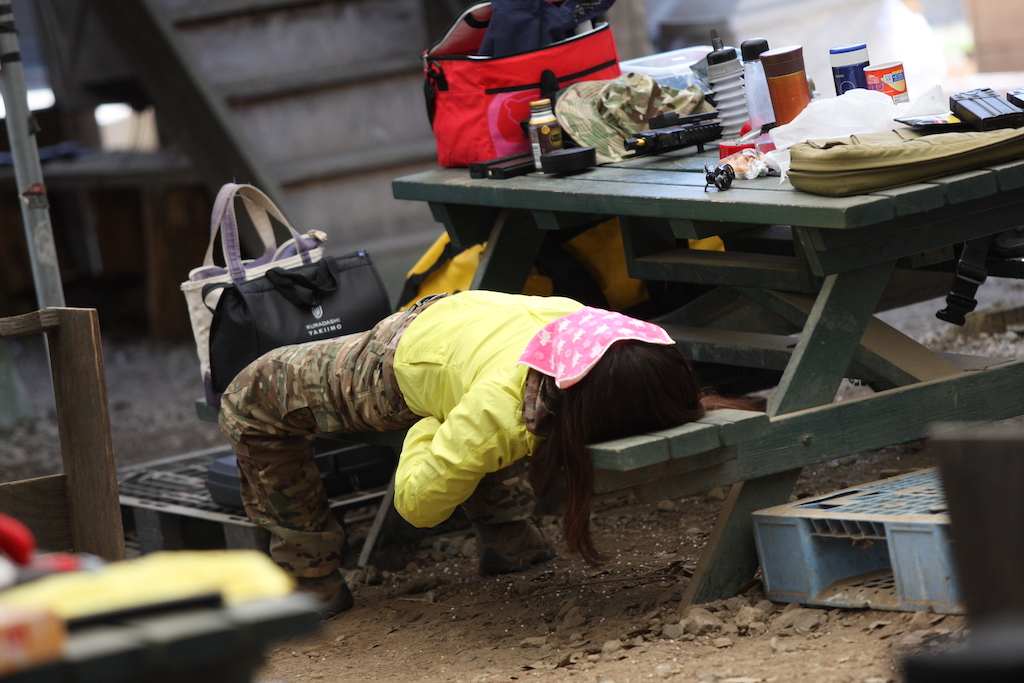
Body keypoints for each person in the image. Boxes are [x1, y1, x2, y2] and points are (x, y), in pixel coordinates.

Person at [219, 290, 749, 617]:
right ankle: (509, 536)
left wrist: (432, 426)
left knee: (248, 396)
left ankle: (309, 577)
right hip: (456, 330)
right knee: (482, 428)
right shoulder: (623, 353)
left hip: (395, 359)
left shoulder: (494, 410)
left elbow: (416, 505)